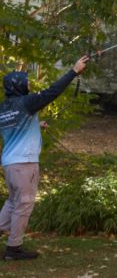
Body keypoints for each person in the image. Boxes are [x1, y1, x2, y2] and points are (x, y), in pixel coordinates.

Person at [0, 55, 90, 260]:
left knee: (13, 203)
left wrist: (36, 125)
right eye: (25, 82)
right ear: (18, 86)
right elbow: (52, 92)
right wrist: (74, 71)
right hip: (25, 164)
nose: (28, 84)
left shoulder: (4, 108)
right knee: (24, 205)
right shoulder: (26, 103)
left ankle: (11, 244)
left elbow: (14, 128)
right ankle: (14, 249)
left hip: (10, 164)